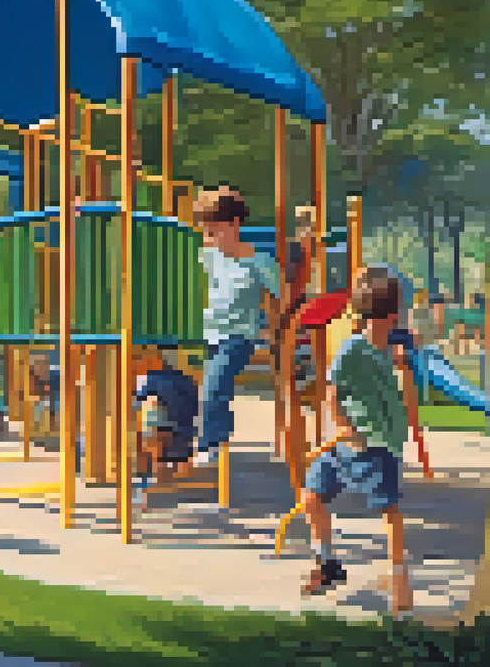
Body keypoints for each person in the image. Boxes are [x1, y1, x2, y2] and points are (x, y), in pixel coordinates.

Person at [296, 265, 416, 614]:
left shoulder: (392, 353)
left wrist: (405, 370)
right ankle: (327, 564)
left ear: (391, 318)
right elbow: (331, 394)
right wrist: (345, 427)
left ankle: (399, 578)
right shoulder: (352, 349)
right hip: (347, 445)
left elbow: (407, 405)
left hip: (380, 447)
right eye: (368, 320)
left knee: (390, 511)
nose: (373, 327)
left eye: (378, 320)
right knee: (312, 497)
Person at [192, 187, 281, 469]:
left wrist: (276, 333)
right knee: (168, 376)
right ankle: (168, 444)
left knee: (214, 383)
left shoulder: (259, 261)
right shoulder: (204, 257)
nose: (209, 237)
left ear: (234, 225)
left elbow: (284, 298)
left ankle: (211, 444)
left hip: (237, 335)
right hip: (200, 334)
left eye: (214, 230)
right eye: (206, 231)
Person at [132, 345, 200, 510]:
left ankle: (150, 488)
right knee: (173, 454)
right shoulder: (187, 380)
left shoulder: (151, 379)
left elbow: (138, 403)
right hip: (185, 431)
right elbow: (195, 408)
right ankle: (170, 487)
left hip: (162, 433)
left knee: (150, 419)